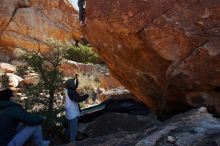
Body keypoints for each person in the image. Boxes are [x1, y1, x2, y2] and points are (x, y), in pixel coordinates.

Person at [64, 74, 89, 143]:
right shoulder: (70, 92)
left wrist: (75, 79)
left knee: (69, 129)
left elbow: (74, 86)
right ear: (70, 85)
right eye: (73, 83)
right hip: (72, 114)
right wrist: (86, 95)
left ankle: (67, 141)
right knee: (73, 131)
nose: (74, 85)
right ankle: (72, 143)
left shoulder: (66, 90)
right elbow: (78, 99)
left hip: (68, 114)